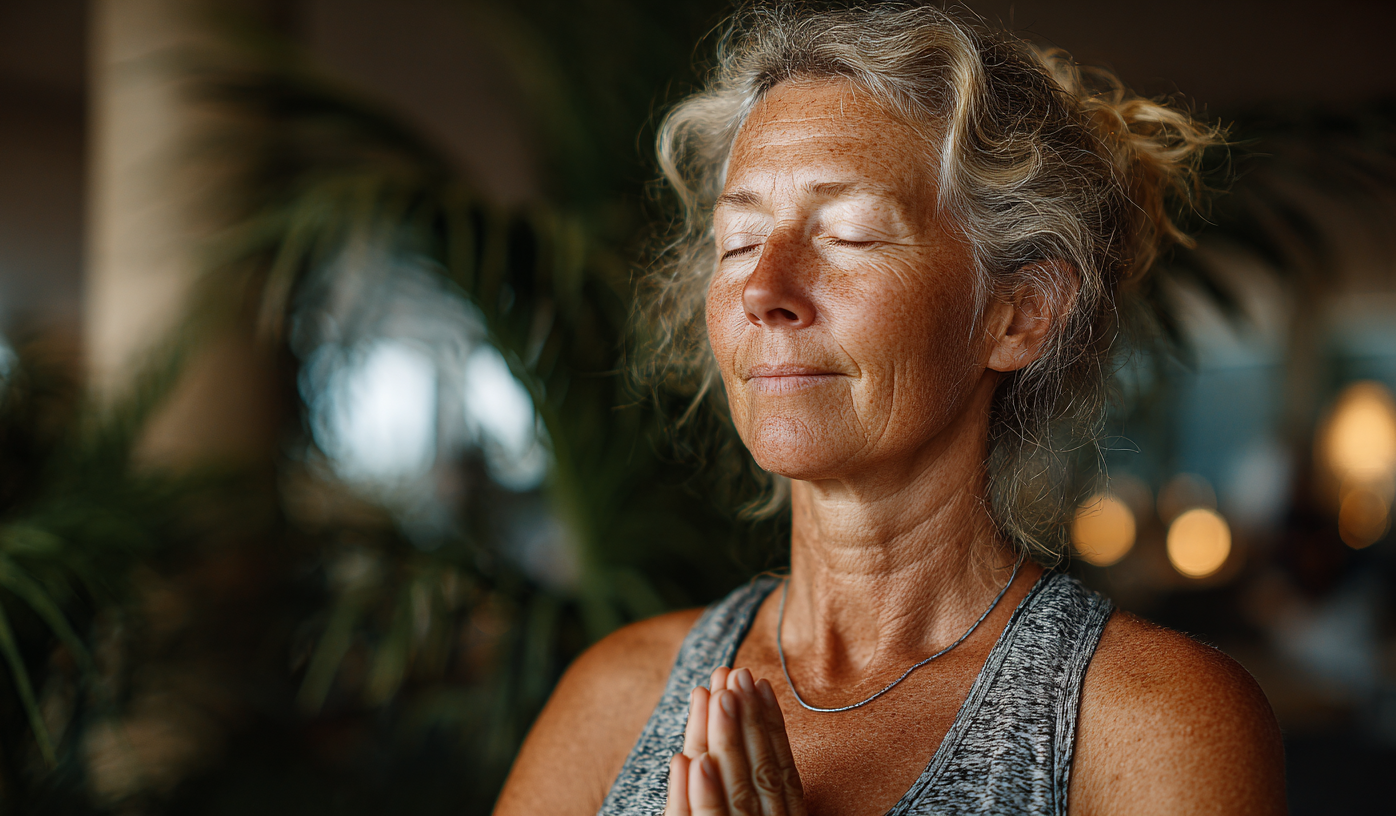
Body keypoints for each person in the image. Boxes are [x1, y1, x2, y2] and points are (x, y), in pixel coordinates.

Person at [494, 4, 1286, 815]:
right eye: (738, 241)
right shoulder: (616, 696)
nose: (764, 289)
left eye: (850, 234)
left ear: (1018, 314)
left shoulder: (1148, 721)